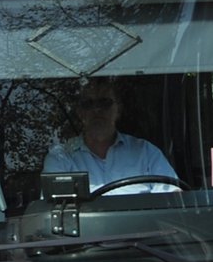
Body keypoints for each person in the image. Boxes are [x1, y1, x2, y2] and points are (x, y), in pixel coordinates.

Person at [43, 77, 178, 195]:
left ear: (118, 110)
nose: (97, 110)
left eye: (104, 103)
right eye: (88, 104)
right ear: (80, 113)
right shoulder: (61, 158)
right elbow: (53, 212)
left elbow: (174, 201)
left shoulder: (145, 152)